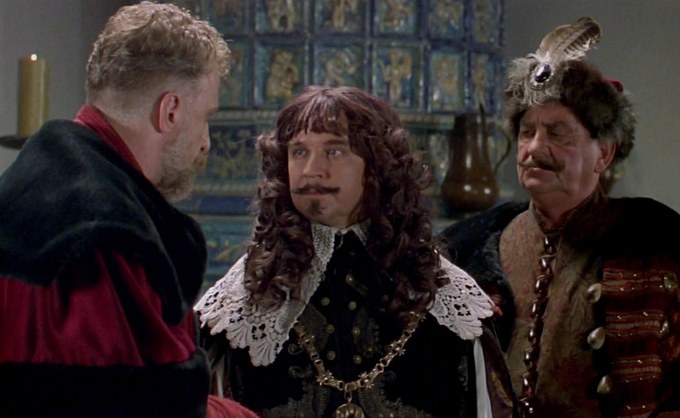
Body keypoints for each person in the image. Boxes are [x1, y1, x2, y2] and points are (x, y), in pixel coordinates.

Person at [0, 2, 256, 417]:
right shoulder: (105, 231)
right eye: (205, 118)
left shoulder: (29, 193)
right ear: (170, 111)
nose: (205, 141)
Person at [440, 17, 680, 418]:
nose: (535, 148)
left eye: (558, 133)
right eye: (527, 132)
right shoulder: (476, 245)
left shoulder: (657, 247)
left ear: (603, 154)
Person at [195, 85, 515, 417]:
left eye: (334, 151)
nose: (311, 170)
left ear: (378, 165)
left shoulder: (446, 297)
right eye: (299, 152)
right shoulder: (242, 299)